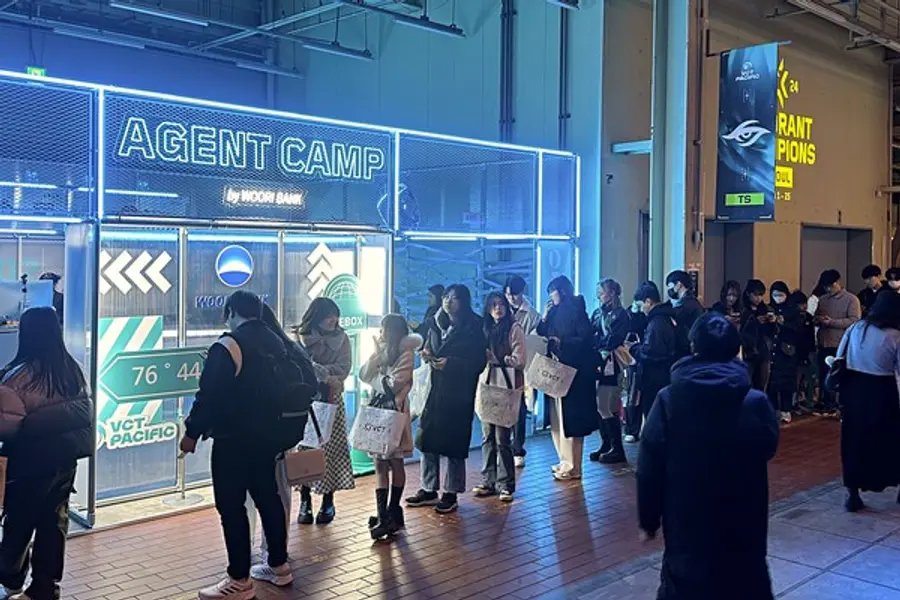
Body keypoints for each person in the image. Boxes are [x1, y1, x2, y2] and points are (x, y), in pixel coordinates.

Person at [637, 313, 779, 600]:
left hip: (687, 514)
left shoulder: (669, 399)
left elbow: (649, 464)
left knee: (686, 582)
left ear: (693, 347)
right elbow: (767, 447)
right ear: (736, 350)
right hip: (743, 513)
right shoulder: (754, 401)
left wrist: (649, 519)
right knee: (744, 580)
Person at [180, 291, 293, 600]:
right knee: (268, 498)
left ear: (230, 312)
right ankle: (279, 565)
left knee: (231, 507)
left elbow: (209, 395)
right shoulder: (276, 341)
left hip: (234, 440)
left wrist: (191, 433)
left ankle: (239, 579)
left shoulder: (229, 345)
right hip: (268, 437)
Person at [0, 307, 91, 600]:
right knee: (53, 524)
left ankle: (11, 580)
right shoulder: (72, 370)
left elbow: (7, 428)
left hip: (28, 464)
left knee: (18, 523)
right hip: (64, 461)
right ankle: (45, 587)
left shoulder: (16, 378)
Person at [407, 284, 486, 514]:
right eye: (446, 297)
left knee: (454, 443)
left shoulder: (474, 326)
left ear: (464, 301)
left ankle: (451, 493)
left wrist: (451, 363)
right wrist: (427, 353)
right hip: (435, 389)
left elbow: (478, 363)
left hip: (459, 392)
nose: (448, 302)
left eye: (454, 298)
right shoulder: (434, 321)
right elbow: (428, 345)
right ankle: (428, 488)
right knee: (426, 438)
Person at [246, 304, 318, 556]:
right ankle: (276, 548)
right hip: (288, 430)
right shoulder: (291, 347)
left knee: (250, 495)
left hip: (257, 433)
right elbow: (311, 385)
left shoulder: (255, 351)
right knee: (281, 490)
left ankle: (253, 550)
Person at [834, 291, 900, 512]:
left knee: (854, 440)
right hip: (882, 391)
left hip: (854, 390)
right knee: (888, 439)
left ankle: (853, 493)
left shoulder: (856, 328)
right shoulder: (895, 335)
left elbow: (839, 358)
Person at [359, 314, 420, 539]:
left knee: (395, 461)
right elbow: (363, 374)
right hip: (379, 410)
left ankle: (392, 510)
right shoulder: (383, 351)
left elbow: (393, 385)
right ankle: (383, 514)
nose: (380, 332)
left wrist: (376, 378)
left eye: (384, 328)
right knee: (379, 463)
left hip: (394, 412)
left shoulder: (406, 353)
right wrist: (376, 355)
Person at [296, 297, 355, 525]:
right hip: (304, 400)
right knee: (304, 449)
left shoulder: (342, 339)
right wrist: (323, 373)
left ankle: (328, 500)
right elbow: (296, 368)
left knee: (331, 448)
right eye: (329, 315)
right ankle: (304, 500)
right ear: (317, 316)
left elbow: (344, 369)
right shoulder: (299, 337)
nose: (333, 320)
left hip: (331, 399)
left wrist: (318, 371)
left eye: (335, 315)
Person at [536, 276, 597, 481]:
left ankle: (573, 465)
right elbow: (541, 331)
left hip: (574, 372)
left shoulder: (577, 310)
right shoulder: (553, 311)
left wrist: (561, 341)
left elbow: (585, 338)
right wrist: (545, 316)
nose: (550, 297)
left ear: (561, 291)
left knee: (570, 419)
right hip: (555, 369)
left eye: (552, 292)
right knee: (556, 417)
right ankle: (564, 460)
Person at [473, 292, 526, 502]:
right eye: (493, 305)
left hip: (505, 385)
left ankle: (506, 484)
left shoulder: (514, 328)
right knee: (487, 436)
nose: (498, 308)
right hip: (486, 385)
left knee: (502, 437)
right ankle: (488, 480)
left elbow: (520, 359)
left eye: (501, 304)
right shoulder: (483, 328)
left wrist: (500, 359)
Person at [589, 278, 629, 464]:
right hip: (598, 361)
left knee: (607, 404)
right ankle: (606, 444)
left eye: (601, 292)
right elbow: (590, 334)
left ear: (611, 293)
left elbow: (615, 339)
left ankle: (617, 448)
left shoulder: (621, 315)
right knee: (599, 404)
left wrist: (600, 344)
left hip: (612, 363)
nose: (599, 296)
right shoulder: (597, 313)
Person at [505, 275, 540, 469]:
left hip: (521, 366)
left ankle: (518, 448)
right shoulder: (501, 308)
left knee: (520, 407)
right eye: (508, 294)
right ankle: (505, 446)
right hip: (502, 365)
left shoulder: (531, 314)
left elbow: (536, 340)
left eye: (515, 294)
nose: (511, 298)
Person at [814, 270, 861, 415]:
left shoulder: (851, 299)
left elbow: (854, 321)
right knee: (824, 374)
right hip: (824, 342)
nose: (828, 289)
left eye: (830, 286)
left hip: (841, 344)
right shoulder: (823, 299)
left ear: (837, 283)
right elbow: (816, 316)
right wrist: (818, 319)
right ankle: (826, 402)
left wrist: (832, 322)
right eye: (826, 287)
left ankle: (840, 404)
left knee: (840, 375)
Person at [632, 282, 677, 421]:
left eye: (641, 305)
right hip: (666, 374)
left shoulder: (656, 323)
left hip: (655, 378)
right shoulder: (667, 317)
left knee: (653, 416)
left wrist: (634, 349)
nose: (641, 310)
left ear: (648, 301)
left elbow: (650, 352)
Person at [767, 282, 804, 424]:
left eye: (780, 294)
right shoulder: (769, 308)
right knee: (771, 381)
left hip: (787, 350)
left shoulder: (793, 310)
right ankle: (773, 408)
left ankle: (786, 409)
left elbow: (798, 329)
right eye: (775, 295)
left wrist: (783, 322)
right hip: (772, 349)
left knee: (786, 381)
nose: (778, 297)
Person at [741, 279, 775, 391]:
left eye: (761, 295)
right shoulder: (743, 309)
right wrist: (755, 322)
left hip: (763, 351)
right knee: (746, 384)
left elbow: (772, 333)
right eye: (755, 295)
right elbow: (742, 330)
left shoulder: (765, 309)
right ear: (748, 294)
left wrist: (772, 322)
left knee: (762, 384)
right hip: (747, 351)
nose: (758, 298)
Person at [623, 296, 648, 443]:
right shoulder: (630, 314)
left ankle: (632, 429)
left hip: (637, 359)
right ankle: (631, 428)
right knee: (632, 395)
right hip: (634, 360)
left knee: (634, 395)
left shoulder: (650, 318)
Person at [665, 269, 705, 335]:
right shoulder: (691, 301)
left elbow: (674, 316)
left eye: (670, 286)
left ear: (678, 284)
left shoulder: (688, 304)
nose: (669, 289)